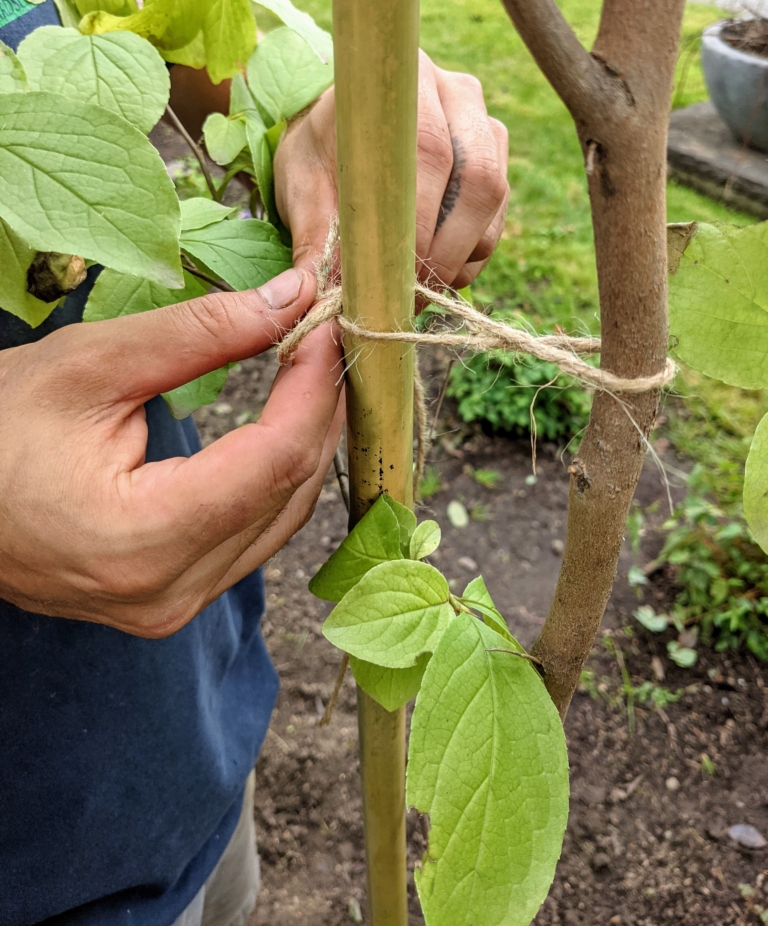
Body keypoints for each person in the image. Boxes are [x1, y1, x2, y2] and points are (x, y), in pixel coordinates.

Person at [0, 3, 510, 924]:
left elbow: (161, 32)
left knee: (215, 879)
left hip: (182, 718)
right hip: (26, 843)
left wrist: (315, 98)